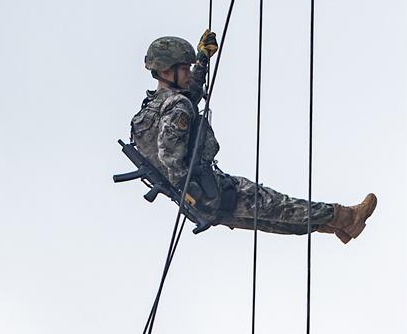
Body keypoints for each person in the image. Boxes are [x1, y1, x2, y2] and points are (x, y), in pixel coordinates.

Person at [130, 33, 377, 242]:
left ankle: (337, 227)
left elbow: (188, 96)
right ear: (165, 70)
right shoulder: (178, 105)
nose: (187, 73)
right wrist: (192, 186)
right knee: (279, 205)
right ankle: (345, 217)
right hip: (210, 190)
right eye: (183, 69)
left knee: (272, 220)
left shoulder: (150, 110)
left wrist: (202, 60)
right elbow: (169, 154)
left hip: (199, 205)